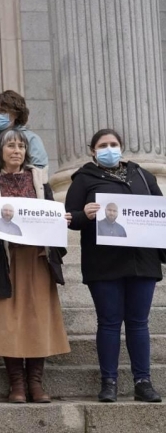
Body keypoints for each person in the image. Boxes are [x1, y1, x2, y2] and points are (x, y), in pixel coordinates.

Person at [65, 128, 163, 403]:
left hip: (142, 261)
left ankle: (143, 381)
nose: (109, 148)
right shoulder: (84, 179)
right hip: (103, 263)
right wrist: (83, 214)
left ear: (121, 147)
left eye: (114, 144)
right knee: (108, 323)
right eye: (103, 145)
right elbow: (70, 217)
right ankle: (109, 382)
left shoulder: (142, 174)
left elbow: (159, 211)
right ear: (93, 151)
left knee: (138, 323)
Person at [0, 129, 71, 404]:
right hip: (5, 258)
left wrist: (58, 219)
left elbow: (50, 212)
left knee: (38, 318)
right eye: (10, 146)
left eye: (20, 146)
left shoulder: (39, 179)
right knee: (8, 320)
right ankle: (16, 383)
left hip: (38, 258)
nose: (16, 150)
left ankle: (36, 383)